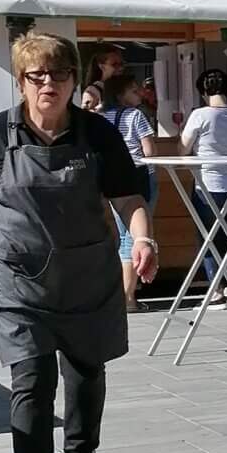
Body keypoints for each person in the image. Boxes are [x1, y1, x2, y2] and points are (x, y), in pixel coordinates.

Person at [0, 32, 155, 453]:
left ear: (74, 80)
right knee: (31, 380)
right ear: (22, 82)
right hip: (19, 280)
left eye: (59, 74)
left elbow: (128, 198)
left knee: (85, 371)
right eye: (37, 76)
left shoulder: (98, 134)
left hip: (86, 273)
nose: (49, 84)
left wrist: (143, 241)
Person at [179, 67, 227, 306]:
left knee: (208, 237)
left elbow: (182, 150)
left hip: (207, 184)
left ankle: (216, 289)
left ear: (203, 91)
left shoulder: (200, 115)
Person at [101, 76, 158, 307]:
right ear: (120, 94)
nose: (139, 94)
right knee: (133, 237)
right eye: (133, 90)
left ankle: (123, 294)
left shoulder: (101, 118)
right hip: (140, 175)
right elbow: (149, 151)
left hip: (111, 178)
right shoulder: (137, 116)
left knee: (121, 235)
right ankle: (128, 297)